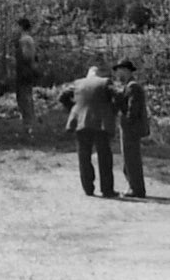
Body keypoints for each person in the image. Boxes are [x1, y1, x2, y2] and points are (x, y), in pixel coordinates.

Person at [63, 63, 120, 198]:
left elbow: (62, 96)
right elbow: (118, 95)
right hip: (101, 122)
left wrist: (74, 108)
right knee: (104, 156)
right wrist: (113, 110)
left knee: (83, 156)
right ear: (99, 74)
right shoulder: (105, 82)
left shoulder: (78, 83)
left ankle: (88, 188)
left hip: (80, 122)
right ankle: (107, 189)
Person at [113, 58, 149, 198]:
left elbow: (132, 109)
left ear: (126, 70)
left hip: (131, 129)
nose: (117, 74)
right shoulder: (129, 86)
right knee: (128, 158)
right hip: (129, 128)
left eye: (119, 70)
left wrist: (127, 123)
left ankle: (136, 188)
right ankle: (132, 185)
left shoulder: (133, 87)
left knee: (131, 159)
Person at [13, 17, 39, 134]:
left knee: (24, 98)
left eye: (16, 26)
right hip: (26, 71)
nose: (15, 29)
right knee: (25, 97)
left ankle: (28, 125)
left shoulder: (25, 40)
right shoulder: (27, 39)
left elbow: (28, 56)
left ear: (21, 27)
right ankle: (29, 123)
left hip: (24, 72)